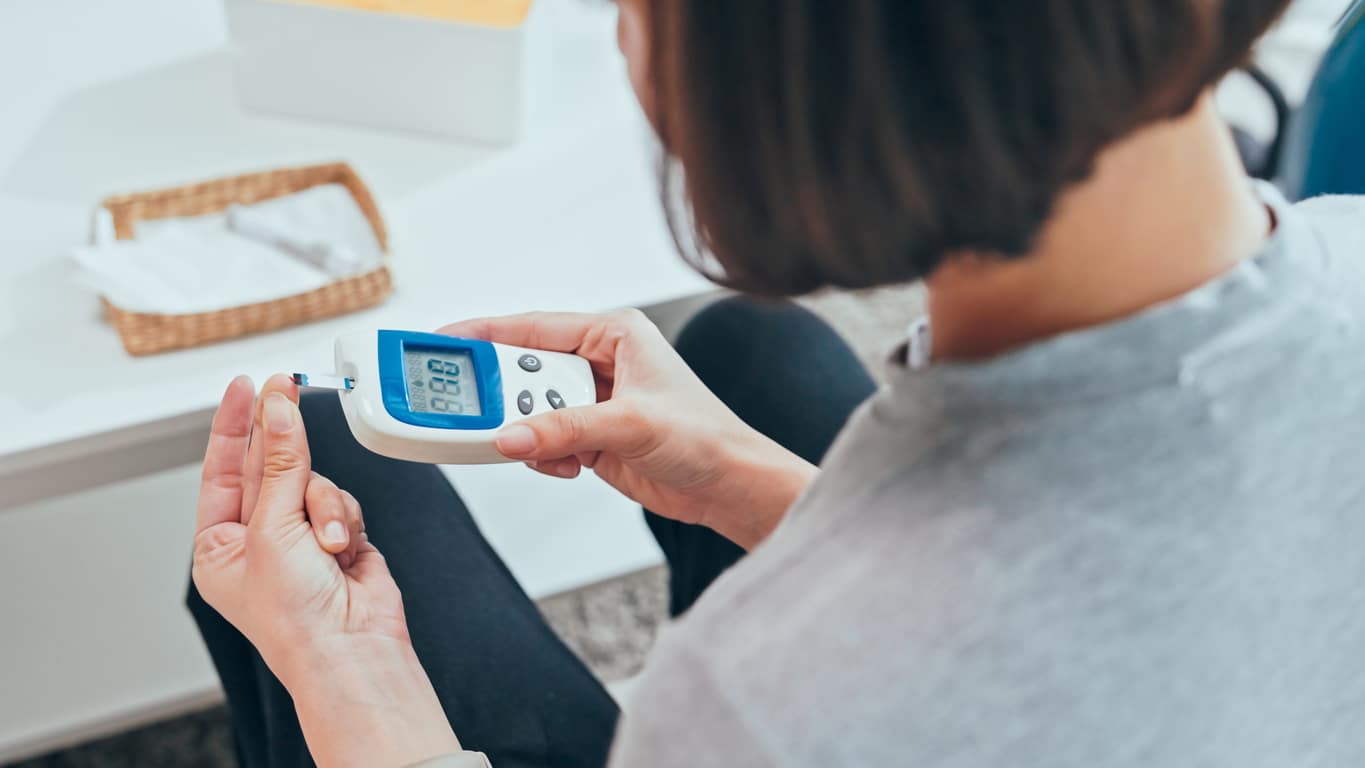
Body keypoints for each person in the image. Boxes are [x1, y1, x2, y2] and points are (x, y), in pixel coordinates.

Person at [186, 0, 1365, 765]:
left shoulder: (757, 709)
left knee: (335, 452)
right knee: (758, 348)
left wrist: (354, 682)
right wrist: (764, 490)